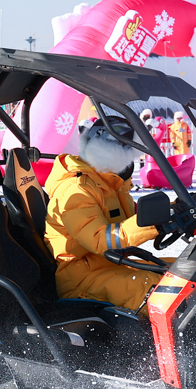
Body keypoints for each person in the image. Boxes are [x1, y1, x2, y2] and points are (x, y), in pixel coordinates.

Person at [43, 119, 165, 312]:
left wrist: (171, 211)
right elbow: (99, 239)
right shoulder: (76, 189)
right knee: (163, 293)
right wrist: (152, 223)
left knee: (184, 272)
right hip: (83, 280)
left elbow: (133, 216)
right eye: (126, 154)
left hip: (112, 266)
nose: (129, 163)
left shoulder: (109, 182)